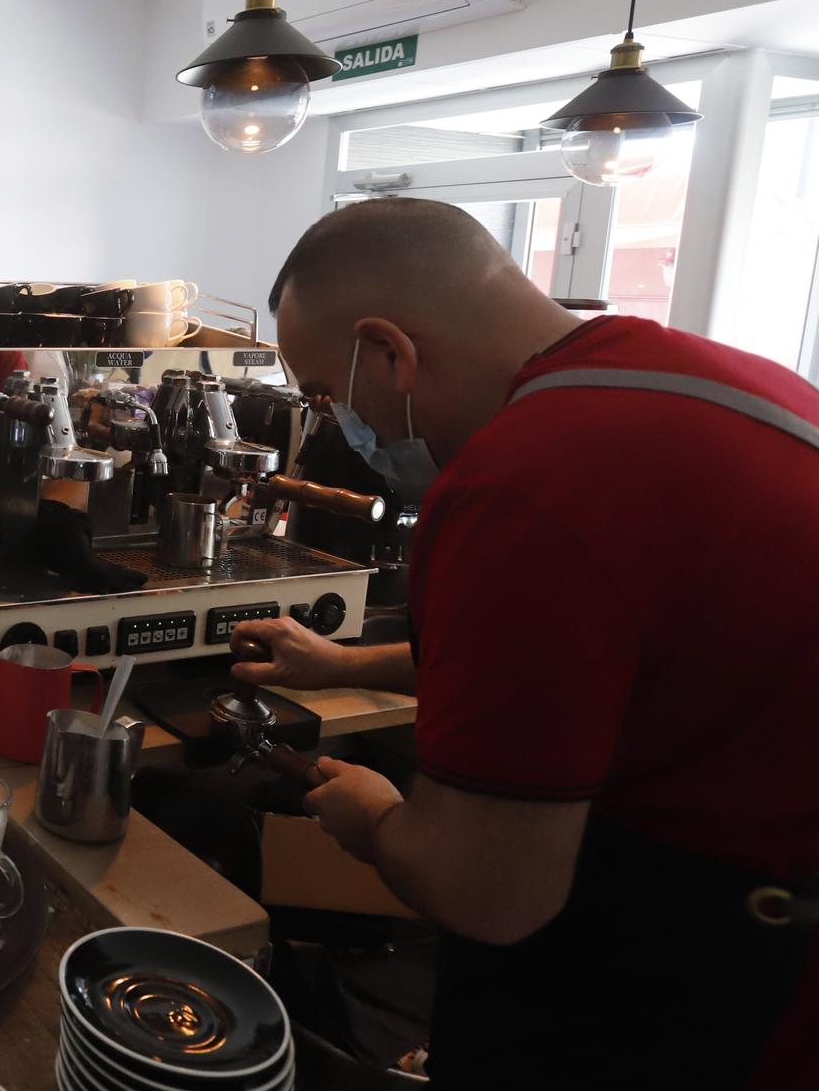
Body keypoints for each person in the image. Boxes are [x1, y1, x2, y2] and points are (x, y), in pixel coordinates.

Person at [238, 198, 817, 1089]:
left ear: (388, 351)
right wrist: (344, 665)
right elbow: (602, 661)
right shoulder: (723, 379)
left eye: (329, 396)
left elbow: (489, 892)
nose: (341, 430)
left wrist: (376, 819)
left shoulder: (520, 483)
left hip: (700, 972)